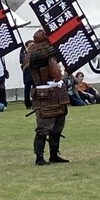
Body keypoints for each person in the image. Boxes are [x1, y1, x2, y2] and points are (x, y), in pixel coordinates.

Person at [25, 29, 70, 165]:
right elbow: (56, 73)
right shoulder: (36, 54)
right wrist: (50, 56)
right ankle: (39, 156)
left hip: (56, 93)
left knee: (57, 126)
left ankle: (54, 154)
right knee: (44, 127)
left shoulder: (38, 52)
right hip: (44, 93)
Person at [20, 40, 34, 109]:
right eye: (30, 44)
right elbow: (21, 60)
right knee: (27, 89)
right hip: (27, 74)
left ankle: (35, 102)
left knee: (35, 88)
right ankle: (27, 104)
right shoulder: (23, 52)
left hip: (34, 72)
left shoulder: (35, 52)